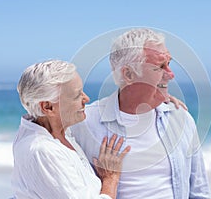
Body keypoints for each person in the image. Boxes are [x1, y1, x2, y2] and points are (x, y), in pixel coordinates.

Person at [72, 28, 210, 198]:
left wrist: (155, 92)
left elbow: (199, 192)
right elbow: (40, 133)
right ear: (128, 74)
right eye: (160, 67)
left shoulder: (180, 118)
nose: (171, 74)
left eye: (169, 64)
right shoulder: (85, 123)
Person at [11, 60, 131, 199]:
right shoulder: (43, 151)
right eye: (76, 95)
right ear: (48, 107)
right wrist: (111, 179)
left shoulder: (59, 131)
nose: (86, 98)